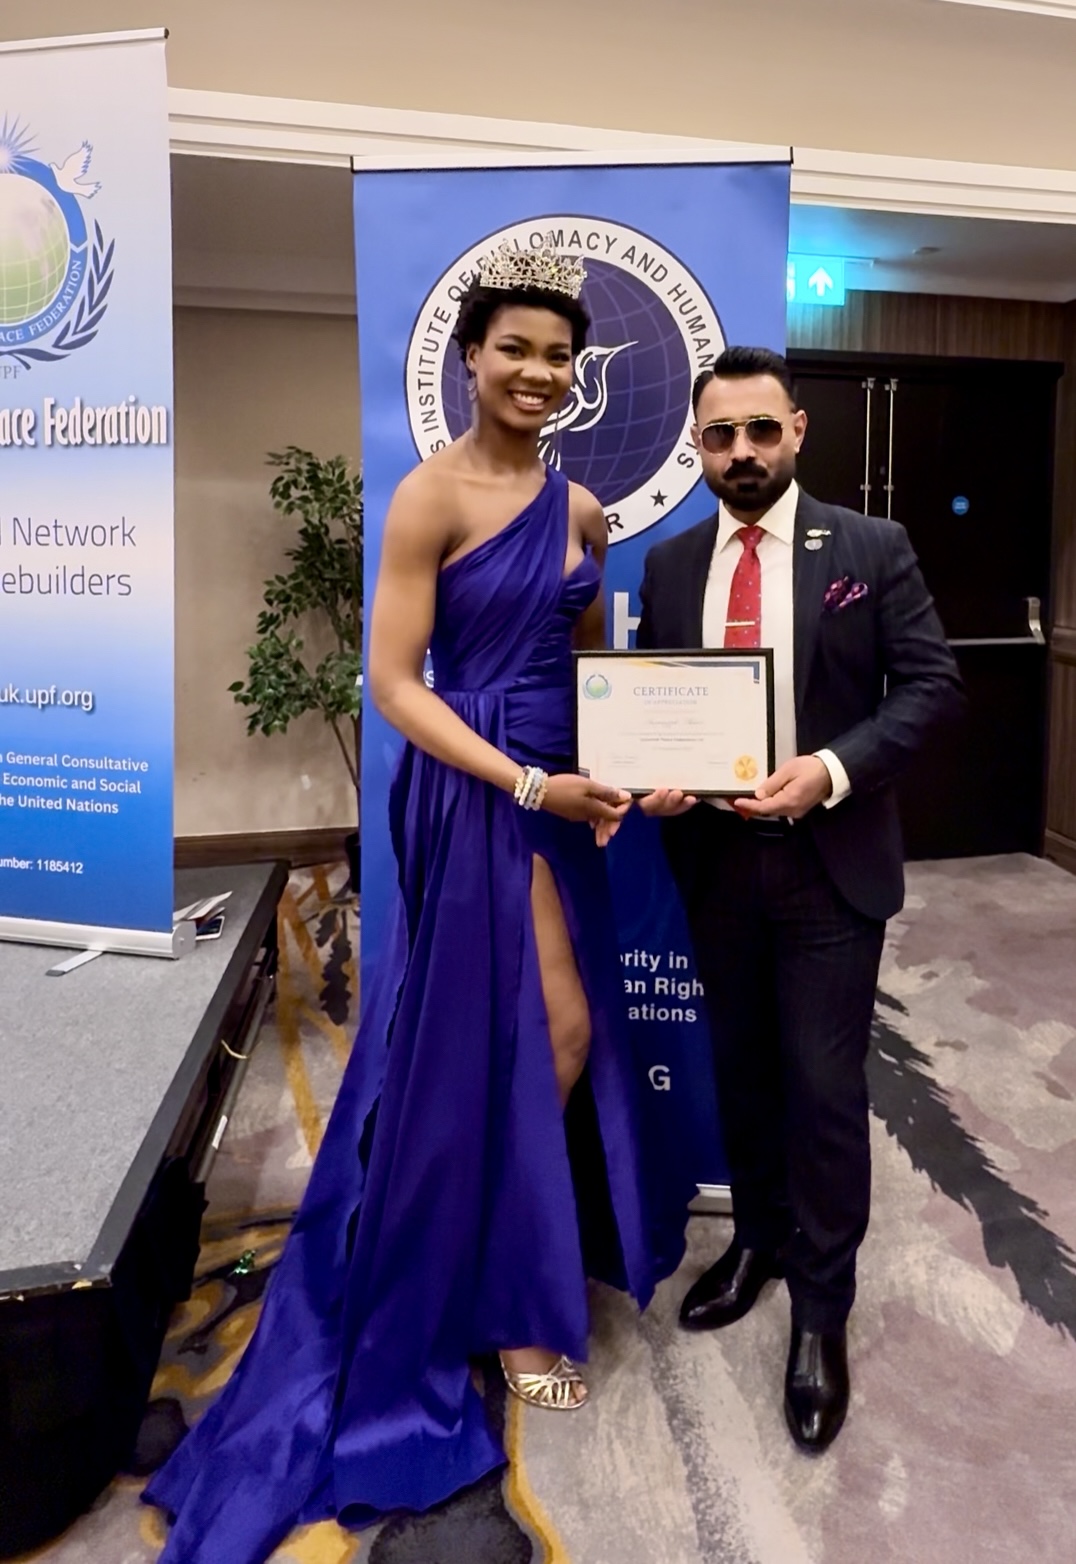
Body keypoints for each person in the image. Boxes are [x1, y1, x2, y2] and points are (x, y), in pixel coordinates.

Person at [142, 241, 690, 1564]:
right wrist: (525, 780)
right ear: (471, 359)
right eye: (515, 350)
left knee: (538, 1039)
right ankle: (501, 1301)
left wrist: (632, 768)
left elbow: (590, 667)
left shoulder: (581, 509)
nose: (538, 373)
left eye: (558, 356)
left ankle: (489, 1252)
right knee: (532, 1032)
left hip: (562, 789)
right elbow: (394, 683)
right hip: (477, 787)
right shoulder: (428, 497)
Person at [638, 346, 963, 1454]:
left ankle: (822, 1308)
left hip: (831, 863)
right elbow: (659, 705)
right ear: (698, 445)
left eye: (760, 430)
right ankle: (757, 1243)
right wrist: (658, 776)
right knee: (741, 1073)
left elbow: (931, 688)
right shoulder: (671, 565)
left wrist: (827, 770)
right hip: (715, 864)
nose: (741, 451)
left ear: (796, 431)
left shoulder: (869, 547)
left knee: (822, 1090)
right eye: (719, 435)